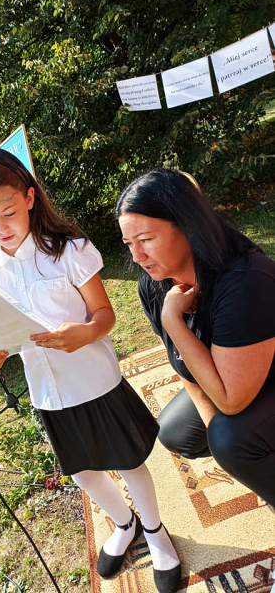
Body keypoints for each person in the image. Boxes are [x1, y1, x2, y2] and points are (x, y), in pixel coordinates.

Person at [0, 145, 181, 592]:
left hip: (95, 381)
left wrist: (83, 334)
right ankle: (125, 524)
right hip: (47, 393)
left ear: (28, 197)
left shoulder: (69, 251)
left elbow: (104, 315)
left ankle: (156, 532)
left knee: (128, 459)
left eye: (7, 212)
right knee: (82, 471)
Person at [115, 168, 275, 510]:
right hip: (233, 376)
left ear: (187, 225)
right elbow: (183, 366)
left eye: (145, 240)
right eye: (129, 243)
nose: (136, 257)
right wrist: (210, 421)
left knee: (233, 439)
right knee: (176, 432)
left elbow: (231, 401)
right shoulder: (154, 283)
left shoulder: (245, 282)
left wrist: (174, 322)